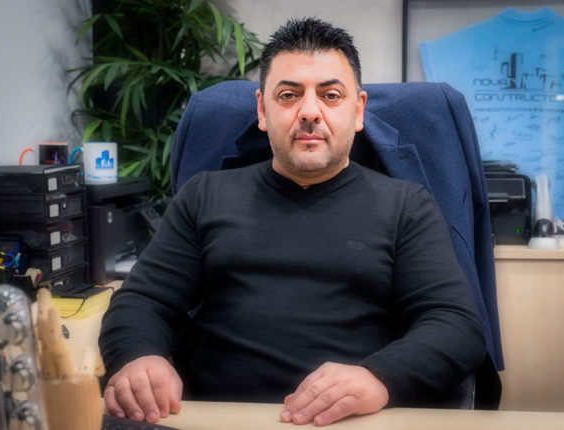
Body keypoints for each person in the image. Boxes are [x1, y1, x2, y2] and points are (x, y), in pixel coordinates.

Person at [99, 17, 486, 426]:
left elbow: (456, 326)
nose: (310, 113)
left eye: (331, 96)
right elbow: (144, 301)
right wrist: (139, 356)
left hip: (352, 421)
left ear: (358, 111)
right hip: (219, 417)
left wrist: (379, 377)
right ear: (262, 110)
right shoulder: (204, 196)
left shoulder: (406, 206)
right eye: (288, 95)